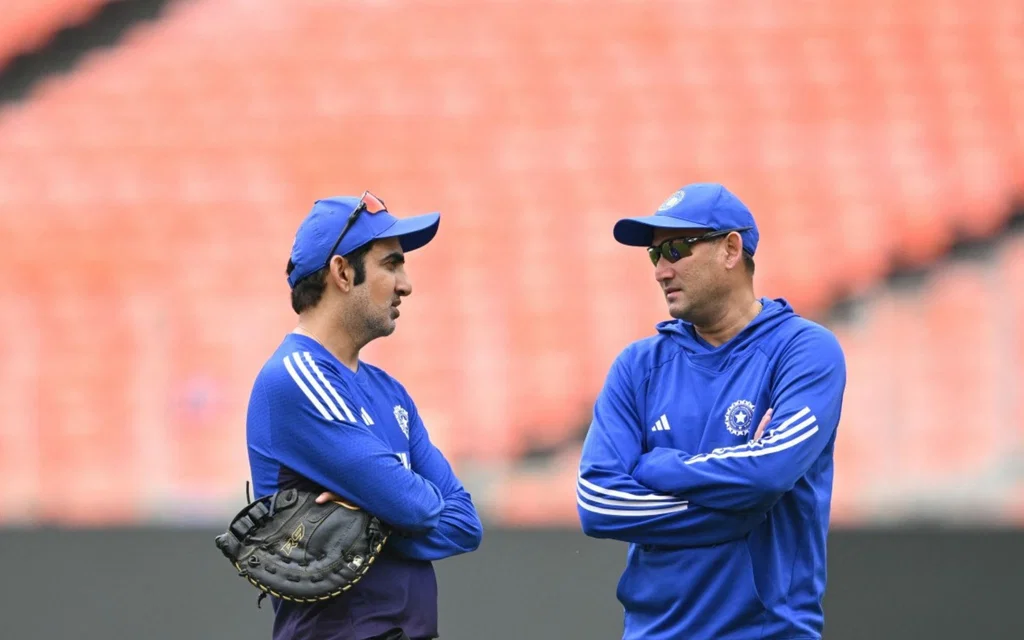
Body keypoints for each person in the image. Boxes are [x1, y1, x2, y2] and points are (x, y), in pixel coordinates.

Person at [576, 183, 847, 640]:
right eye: (653, 255)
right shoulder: (637, 366)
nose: (661, 270)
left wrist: (657, 466)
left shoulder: (805, 350)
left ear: (731, 249)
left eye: (676, 249)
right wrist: (737, 508)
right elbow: (599, 504)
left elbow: (767, 475)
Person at [246, 191, 484, 640]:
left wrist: (365, 522)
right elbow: (416, 505)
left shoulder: (390, 390)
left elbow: (465, 523)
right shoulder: (295, 376)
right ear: (341, 271)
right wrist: (398, 511)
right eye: (391, 264)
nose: (406, 284)